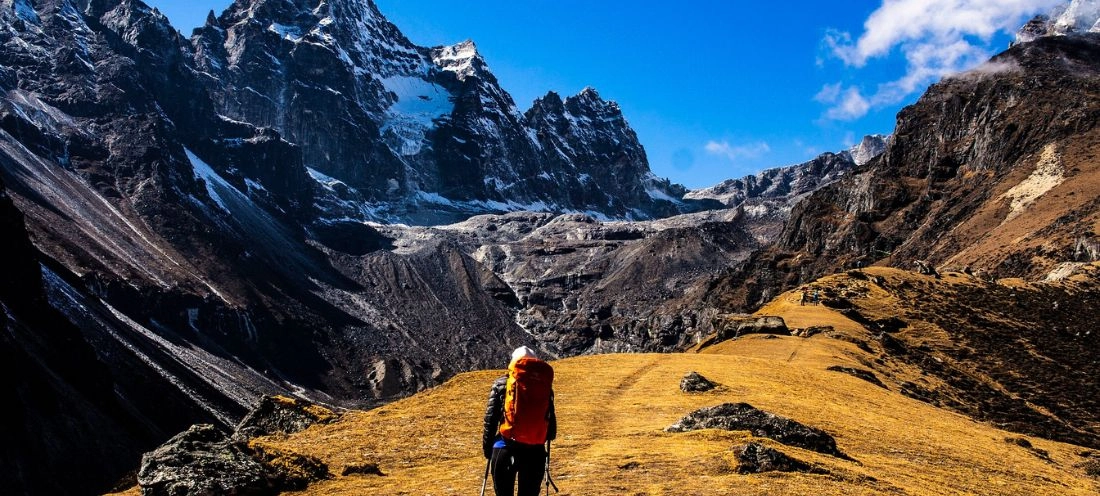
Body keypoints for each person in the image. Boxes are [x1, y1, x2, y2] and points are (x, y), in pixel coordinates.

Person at [482, 346, 557, 496]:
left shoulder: (501, 384)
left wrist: (488, 450)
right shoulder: (545, 387)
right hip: (535, 453)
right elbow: (551, 432)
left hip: (505, 447)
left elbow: (490, 421)